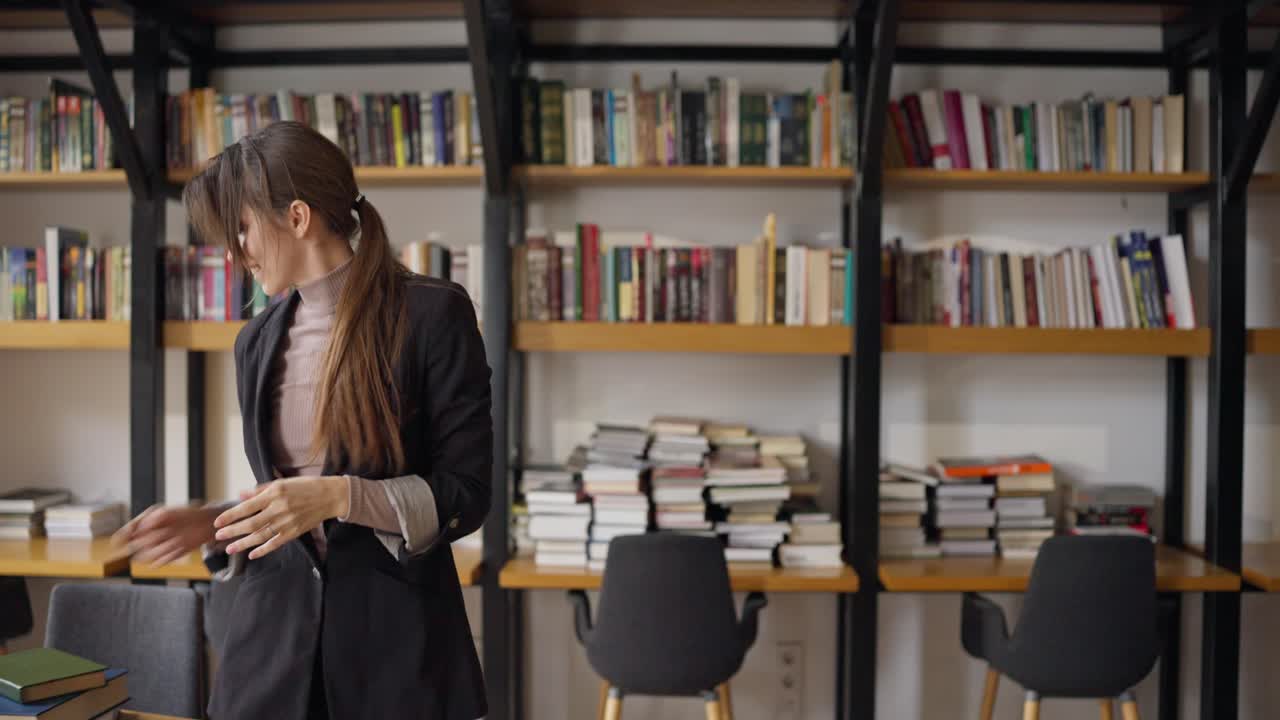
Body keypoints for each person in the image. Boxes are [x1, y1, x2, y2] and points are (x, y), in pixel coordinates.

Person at [113, 121, 491, 720]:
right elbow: (289, 502)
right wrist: (216, 523)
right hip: (269, 658)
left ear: (296, 217)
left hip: (395, 658)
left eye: (241, 226)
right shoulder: (256, 340)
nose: (234, 251)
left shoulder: (432, 314)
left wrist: (339, 496)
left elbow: (466, 498)